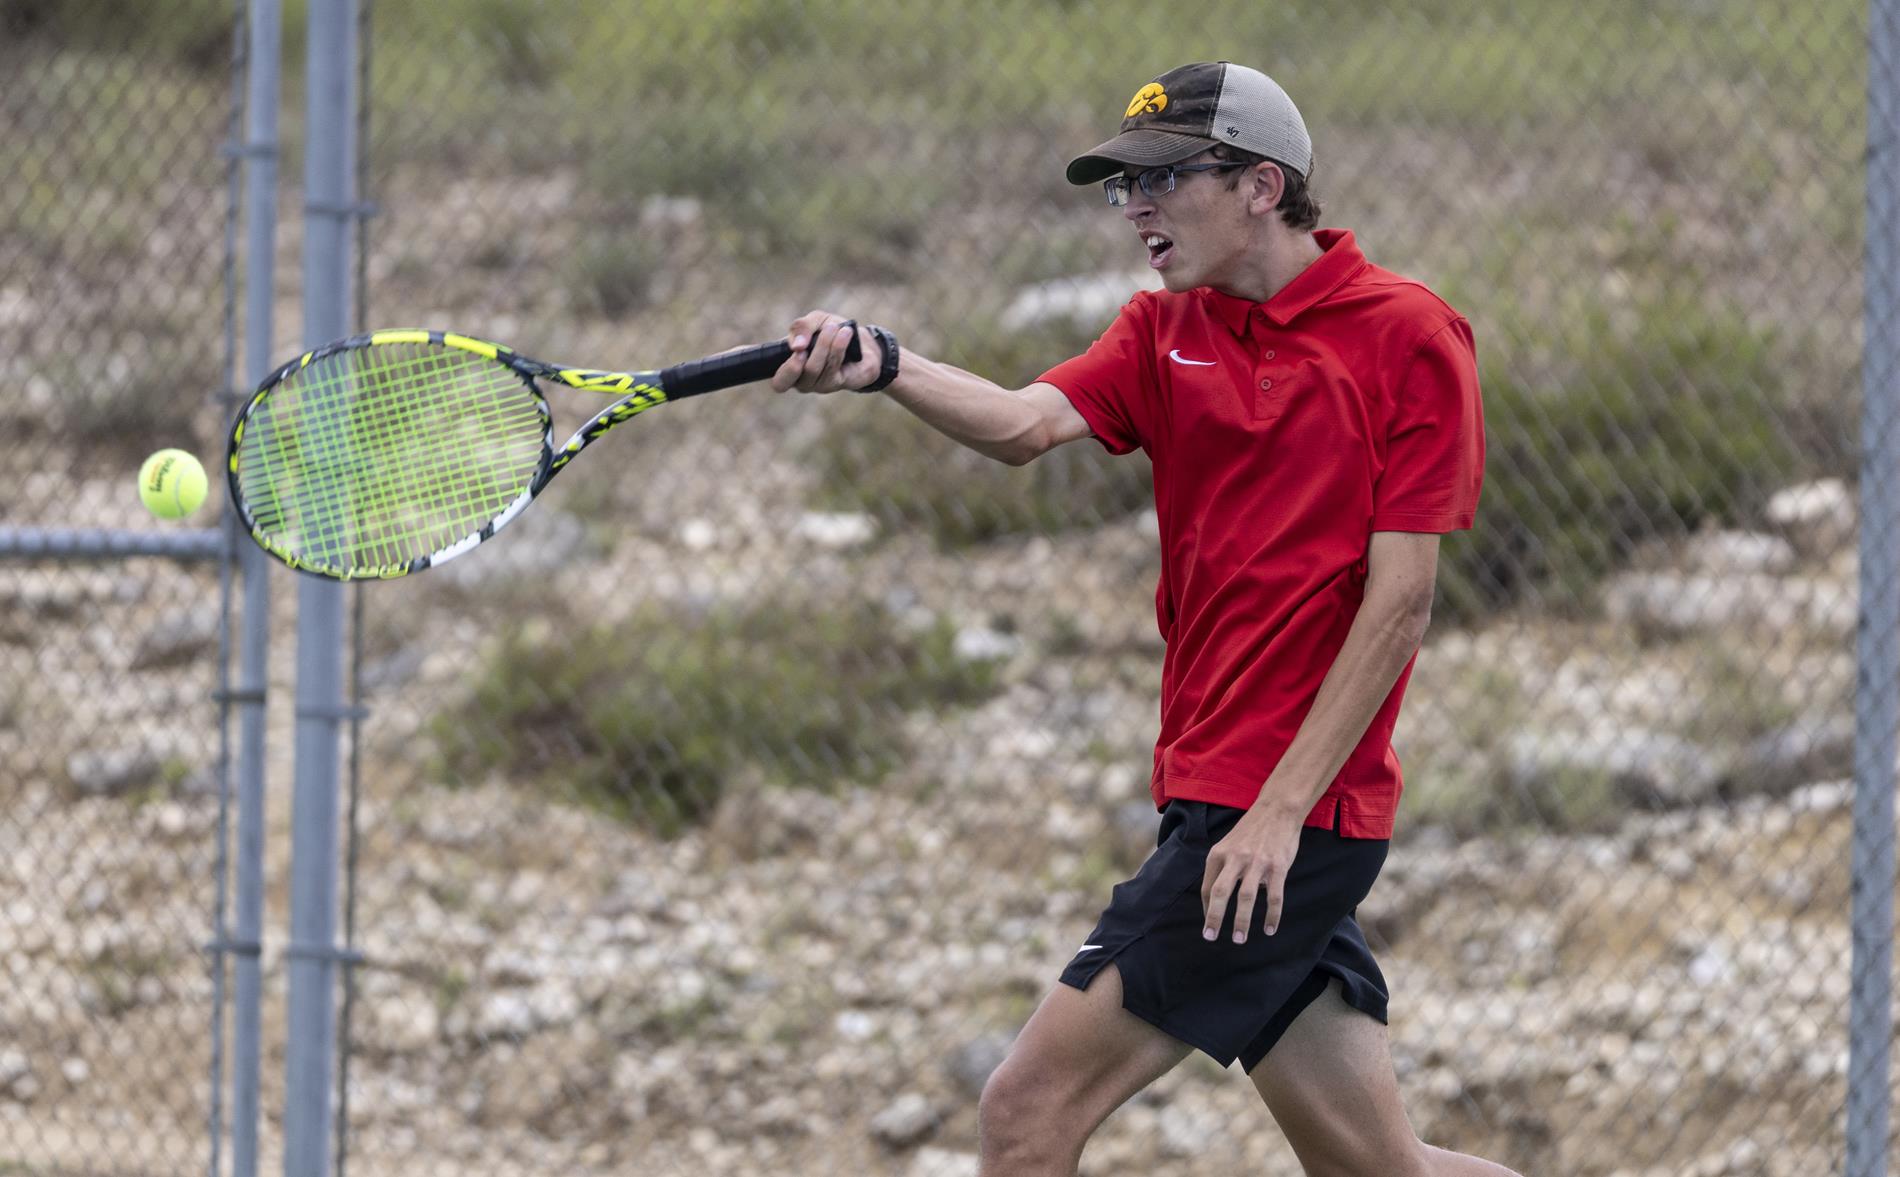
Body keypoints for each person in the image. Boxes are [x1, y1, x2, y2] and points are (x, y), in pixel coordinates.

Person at [771, 60, 1520, 1177]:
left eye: (1163, 181)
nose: (1135, 210)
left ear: (1262, 186)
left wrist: (1274, 814)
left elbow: (1398, 604)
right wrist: (885, 364)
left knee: (1023, 1113)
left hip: (1285, 819)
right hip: (1218, 799)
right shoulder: (1163, 333)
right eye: (1121, 187)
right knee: (1381, 1169)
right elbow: (1023, 422)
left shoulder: (1408, 337)